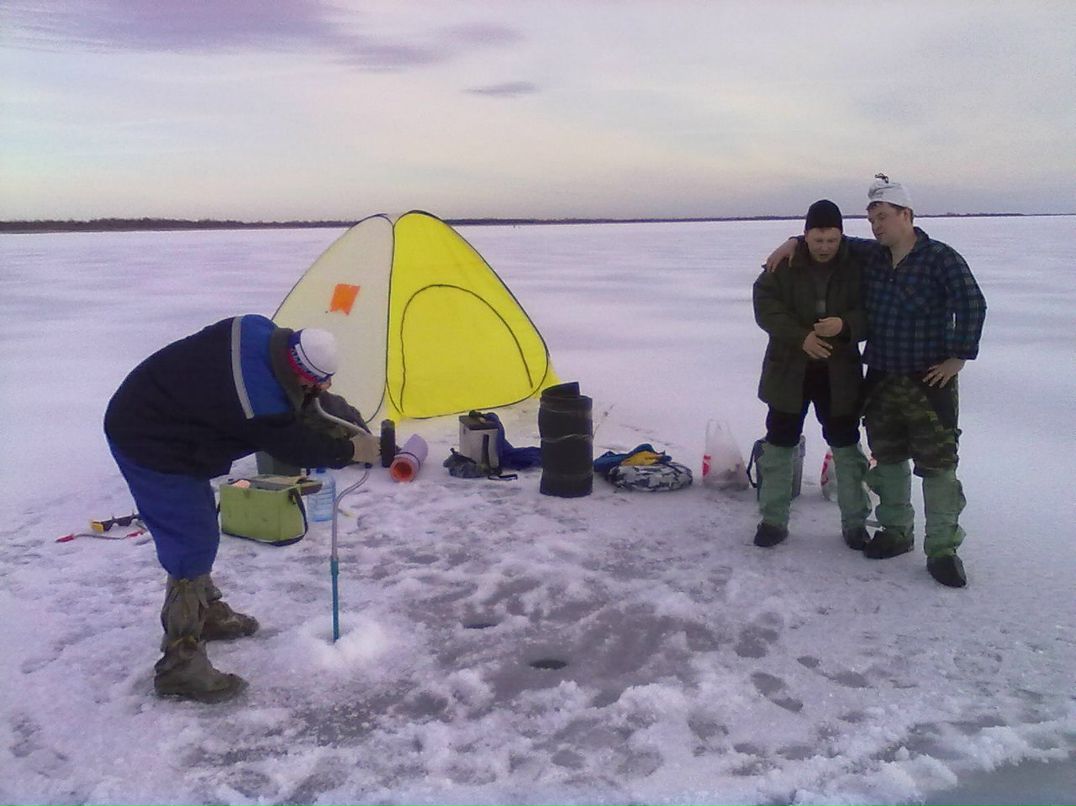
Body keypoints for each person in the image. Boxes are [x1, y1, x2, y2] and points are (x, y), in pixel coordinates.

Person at [104, 314, 381, 702]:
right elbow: (290, 445)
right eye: (319, 380)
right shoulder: (256, 400)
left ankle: (207, 613)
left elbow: (305, 399)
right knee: (191, 542)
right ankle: (180, 664)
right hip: (148, 437)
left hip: (174, 417)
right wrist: (348, 450)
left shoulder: (261, 333)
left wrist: (344, 418)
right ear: (298, 366)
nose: (325, 387)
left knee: (198, 528)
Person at [764, 176, 987, 587]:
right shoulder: (872, 256)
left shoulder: (940, 258)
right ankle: (896, 531)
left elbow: (972, 303)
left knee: (937, 466)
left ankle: (942, 550)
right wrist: (794, 240)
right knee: (888, 461)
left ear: (907, 215)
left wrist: (958, 357)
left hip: (928, 380)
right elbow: (825, 241)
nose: (877, 227)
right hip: (882, 376)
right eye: (872, 220)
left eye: (883, 217)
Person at [751, 200, 871, 549]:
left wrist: (846, 325)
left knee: (847, 447)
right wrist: (801, 337)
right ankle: (773, 520)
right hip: (789, 370)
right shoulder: (783, 263)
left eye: (831, 240)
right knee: (779, 443)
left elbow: (872, 309)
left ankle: (854, 523)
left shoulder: (858, 263)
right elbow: (765, 306)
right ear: (805, 236)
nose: (824, 248)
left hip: (839, 372)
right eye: (818, 240)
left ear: (841, 236)